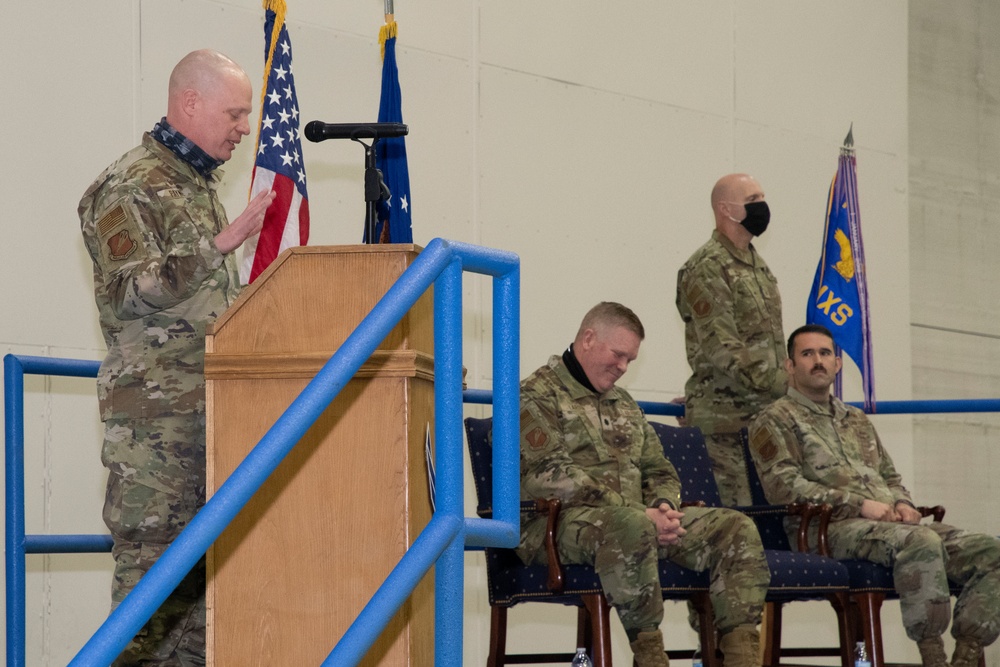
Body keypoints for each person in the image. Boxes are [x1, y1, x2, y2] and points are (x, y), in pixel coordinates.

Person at [79, 49, 276, 665]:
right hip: (157, 435)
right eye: (236, 113)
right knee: (150, 602)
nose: (245, 128)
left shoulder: (195, 186)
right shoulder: (129, 185)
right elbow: (130, 291)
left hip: (216, 418)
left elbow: (212, 308)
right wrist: (220, 245)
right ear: (190, 103)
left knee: (199, 611)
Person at [518, 302, 769, 667]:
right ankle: (651, 658)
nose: (622, 368)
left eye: (630, 361)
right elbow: (550, 476)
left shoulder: (624, 403)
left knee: (735, 527)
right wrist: (641, 513)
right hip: (555, 527)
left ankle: (742, 658)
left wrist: (665, 506)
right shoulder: (536, 395)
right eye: (618, 355)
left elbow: (659, 467)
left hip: (638, 523)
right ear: (588, 339)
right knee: (630, 525)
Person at [748, 324, 1000, 667]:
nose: (818, 361)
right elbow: (785, 487)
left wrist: (903, 503)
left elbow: (890, 476)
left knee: (992, 551)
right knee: (921, 543)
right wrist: (860, 505)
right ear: (790, 366)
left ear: (838, 363)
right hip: (828, 529)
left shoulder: (856, 419)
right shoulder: (773, 419)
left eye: (825, 353)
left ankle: (968, 652)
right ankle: (932, 656)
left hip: (893, 526)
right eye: (807, 354)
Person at [675, 172, 787, 506]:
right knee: (739, 526)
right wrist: (787, 383)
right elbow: (722, 348)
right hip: (726, 428)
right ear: (725, 209)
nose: (762, 206)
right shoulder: (707, 266)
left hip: (766, 420)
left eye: (762, 197)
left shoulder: (759, 266)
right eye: (753, 200)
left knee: (775, 527)